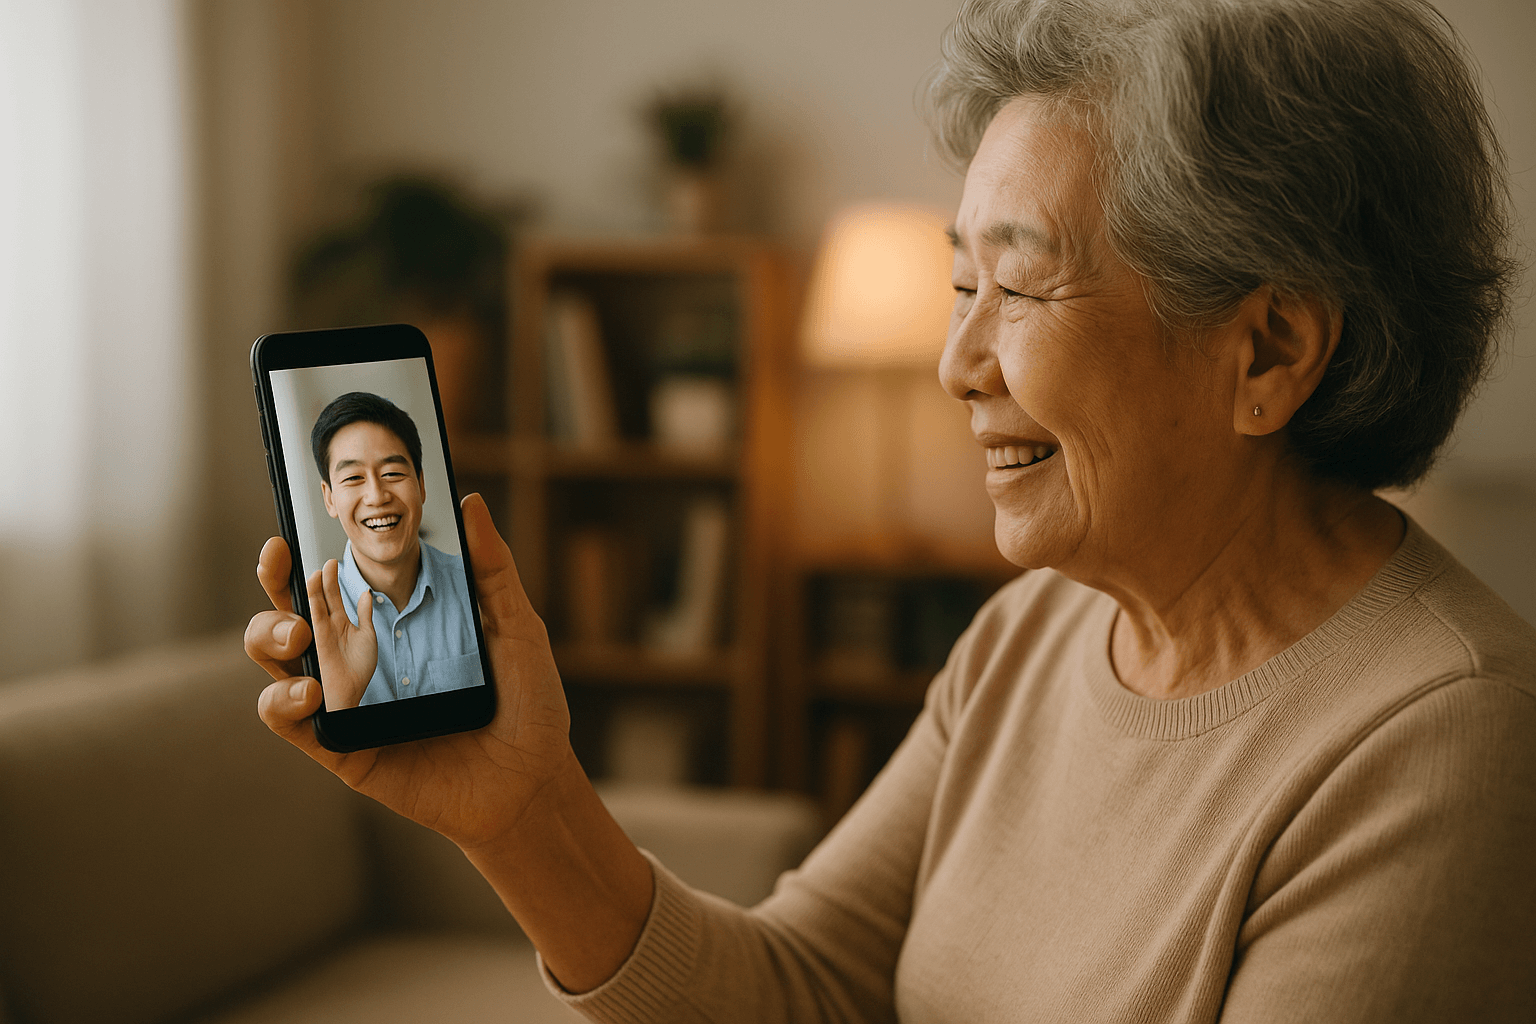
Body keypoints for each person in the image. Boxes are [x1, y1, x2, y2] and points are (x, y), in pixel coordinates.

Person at [244, 0, 1536, 1019]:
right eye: (956, 284)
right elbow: (801, 992)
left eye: (1016, 292)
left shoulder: (1445, 747)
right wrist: (521, 810)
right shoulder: (1030, 637)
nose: (953, 364)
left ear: (1266, 353)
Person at [306, 391, 483, 708]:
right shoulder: (312, 617)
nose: (376, 495)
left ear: (421, 483)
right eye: (353, 477)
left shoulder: (479, 591)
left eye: (392, 473)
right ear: (329, 498)